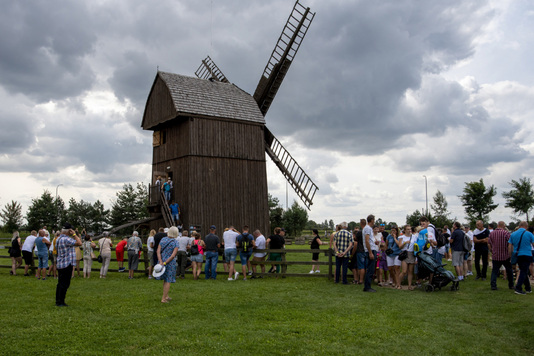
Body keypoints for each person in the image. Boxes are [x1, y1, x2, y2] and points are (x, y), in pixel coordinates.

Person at [55, 223, 82, 307]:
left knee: (60, 283)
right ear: (69, 231)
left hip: (60, 263)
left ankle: (58, 300)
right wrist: (74, 234)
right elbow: (79, 243)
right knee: (65, 284)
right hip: (67, 263)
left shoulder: (58, 238)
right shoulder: (66, 239)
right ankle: (61, 301)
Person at [508, 221, 534, 295]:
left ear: (519, 226)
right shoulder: (529, 234)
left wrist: (510, 255)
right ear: (526, 226)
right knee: (524, 271)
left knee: (523, 270)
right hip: (527, 254)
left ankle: (528, 288)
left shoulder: (513, 234)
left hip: (517, 254)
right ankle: (518, 288)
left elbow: (510, 246)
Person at [488, 221, 513, 290]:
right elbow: (510, 244)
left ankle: (493, 285)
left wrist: (491, 251)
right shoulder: (506, 233)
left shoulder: (492, 233)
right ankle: (511, 285)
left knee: (494, 271)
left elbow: (489, 244)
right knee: (509, 270)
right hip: (505, 256)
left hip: (495, 256)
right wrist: (510, 253)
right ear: (503, 225)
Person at [156, 226, 179, 303]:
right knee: (168, 280)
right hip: (169, 263)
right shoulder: (175, 242)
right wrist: (165, 262)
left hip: (161, 261)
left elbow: (158, 251)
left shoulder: (163, 239)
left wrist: (160, 261)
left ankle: (166, 295)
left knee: (165, 280)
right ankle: (163, 298)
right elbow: (173, 255)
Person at [363, 215, 378, 292]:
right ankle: (367, 287)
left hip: (371, 249)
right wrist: (370, 252)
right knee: (370, 269)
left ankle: (367, 286)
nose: (374, 221)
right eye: (374, 219)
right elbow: (367, 240)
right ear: (371, 220)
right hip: (371, 250)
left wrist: (375, 242)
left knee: (370, 269)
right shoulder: (368, 228)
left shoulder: (367, 228)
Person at [397, 225, 414, 290]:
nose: (409, 230)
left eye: (410, 229)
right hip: (405, 253)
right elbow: (400, 246)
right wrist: (405, 243)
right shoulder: (402, 237)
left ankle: (409, 286)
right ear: (404, 230)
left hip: (412, 253)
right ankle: (398, 284)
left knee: (410, 271)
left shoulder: (414, 237)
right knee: (404, 271)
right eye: (408, 229)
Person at [354, 219, 367, 285]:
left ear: (361, 223)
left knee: (361, 266)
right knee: (366, 266)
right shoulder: (368, 231)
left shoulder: (360, 232)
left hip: (360, 250)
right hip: (367, 250)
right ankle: (366, 279)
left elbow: (355, 239)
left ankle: (360, 280)